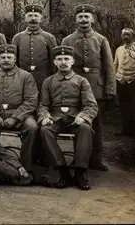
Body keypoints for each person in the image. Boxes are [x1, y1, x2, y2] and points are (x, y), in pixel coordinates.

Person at [62, 4, 115, 171]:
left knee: (96, 125)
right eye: (80, 17)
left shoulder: (101, 39)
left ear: (92, 19)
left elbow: (109, 66)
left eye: (86, 17)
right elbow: (62, 66)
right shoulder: (68, 40)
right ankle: (78, 159)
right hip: (74, 87)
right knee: (76, 123)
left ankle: (96, 160)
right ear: (75, 19)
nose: (83, 20)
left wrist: (109, 88)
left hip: (95, 88)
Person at [38, 46, 98, 190]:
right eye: (59, 59)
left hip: (75, 119)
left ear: (72, 61)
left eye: (66, 59)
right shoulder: (49, 81)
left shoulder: (81, 81)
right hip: (57, 119)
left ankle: (80, 172)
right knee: (45, 130)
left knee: (85, 129)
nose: (63, 62)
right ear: (54, 62)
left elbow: (91, 105)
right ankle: (63, 171)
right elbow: (43, 105)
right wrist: (45, 116)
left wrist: (83, 116)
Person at [0, 44, 39, 178]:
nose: (6, 60)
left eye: (9, 57)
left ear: (15, 59)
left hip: (20, 113)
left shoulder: (26, 76)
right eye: (3, 57)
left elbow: (31, 101)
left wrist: (15, 117)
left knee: (32, 127)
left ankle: (27, 166)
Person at [12, 4, 57, 90]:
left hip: (44, 78)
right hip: (23, 79)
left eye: (36, 16)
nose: (33, 18)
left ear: (41, 19)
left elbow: (54, 62)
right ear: (25, 18)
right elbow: (14, 61)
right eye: (30, 16)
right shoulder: (17, 38)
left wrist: (52, 80)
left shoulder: (49, 37)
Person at [113, 28, 135, 137]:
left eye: (128, 34)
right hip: (120, 81)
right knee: (122, 106)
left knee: (134, 106)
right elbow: (115, 64)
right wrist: (114, 77)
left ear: (132, 36)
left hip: (133, 81)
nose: (125, 37)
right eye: (123, 34)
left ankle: (134, 131)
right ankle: (125, 130)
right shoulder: (119, 49)